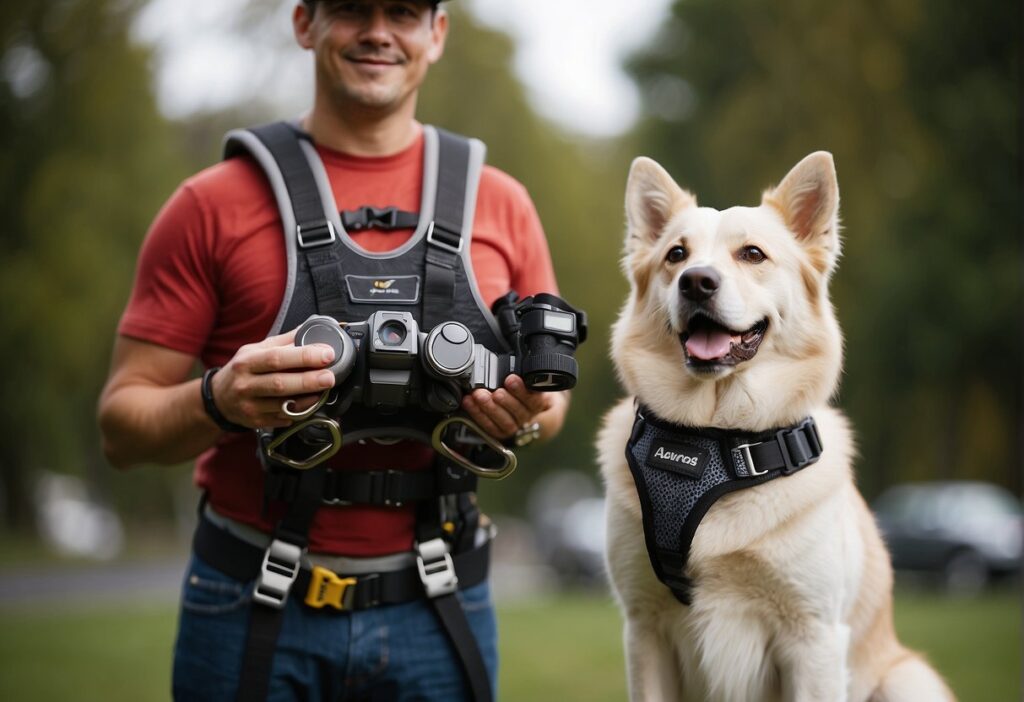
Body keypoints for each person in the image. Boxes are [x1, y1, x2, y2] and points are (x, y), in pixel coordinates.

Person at [97, 1, 571, 700]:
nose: (378, 32)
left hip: (438, 600)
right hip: (250, 598)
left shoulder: (502, 204)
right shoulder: (210, 204)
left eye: (404, 12)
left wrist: (523, 411)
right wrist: (220, 400)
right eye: (352, 8)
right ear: (303, 22)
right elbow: (121, 428)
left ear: (435, 34)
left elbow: (552, 403)